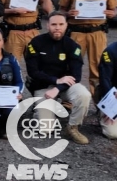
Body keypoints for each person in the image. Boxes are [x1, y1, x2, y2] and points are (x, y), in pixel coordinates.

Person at [24, 11, 91, 144]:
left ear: (66, 25)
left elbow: (76, 76)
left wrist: (58, 87)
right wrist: (54, 81)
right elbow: (33, 72)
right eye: (54, 24)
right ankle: (43, 109)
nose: (57, 27)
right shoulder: (36, 43)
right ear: (47, 25)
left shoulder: (73, 46)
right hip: (43, 85)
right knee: (46, 129)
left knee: (84, 94)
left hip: (66, 86)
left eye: (61, 24)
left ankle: (73, 127)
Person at [59, 0, 117, 95]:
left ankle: (100, 101)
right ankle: (70, 101)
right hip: (76, 33)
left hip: (97, 33)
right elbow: (61, 10)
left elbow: (114, 9)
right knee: (72, 65)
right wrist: (68, 14)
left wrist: (112, 13)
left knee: (98, 68)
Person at [96, 42, 117, 139]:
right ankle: (102, 113)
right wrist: (110, 106)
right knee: (113, 134)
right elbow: (105, 80)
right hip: (114, 96)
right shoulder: (110, 52)